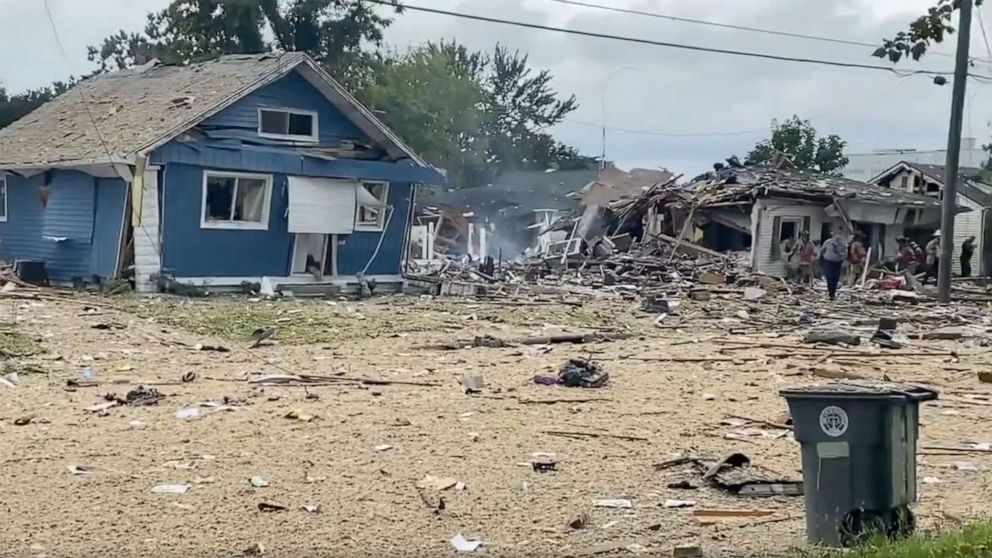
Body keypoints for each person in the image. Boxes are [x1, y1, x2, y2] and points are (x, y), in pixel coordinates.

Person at [819, 230, 847, 301]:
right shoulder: (828, 242)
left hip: (837, 263)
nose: (837, 238)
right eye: (836, 237)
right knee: (829, 276)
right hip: (828, 262)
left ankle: (833, 292)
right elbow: (822, 250)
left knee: (835, 278)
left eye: (839, 237)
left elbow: (845, 254)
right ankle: (830, 292)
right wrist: (819, 258)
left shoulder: (842, 245)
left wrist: (842, 258)